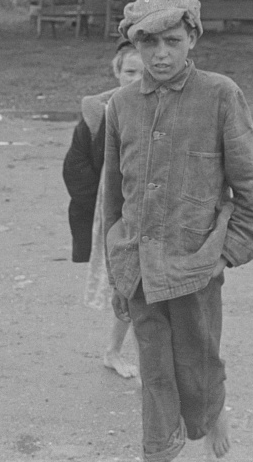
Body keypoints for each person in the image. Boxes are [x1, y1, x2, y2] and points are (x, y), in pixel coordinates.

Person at [102, 0, 253, 460]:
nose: (160, 55)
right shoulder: (121, 106)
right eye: (148, 43)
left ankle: (213, 412)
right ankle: (159, 450)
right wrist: (118, 268)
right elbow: (112, 200)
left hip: (194, 270)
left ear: (192, 38)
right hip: (137, 266)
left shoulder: (220, 96)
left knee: (197, 369)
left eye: (172, 42)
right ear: (133, 44)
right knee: (154, 370)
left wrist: (222, 254)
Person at [63, 40, 144, 380]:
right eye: (130, 72)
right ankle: (145, 367)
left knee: (140, 287)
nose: (137, 79)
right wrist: (104, 207)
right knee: (133, 287)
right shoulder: (98, 114)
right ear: (116, 72)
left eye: (145, 71)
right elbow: (75, 168)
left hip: (152, 212)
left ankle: (119, 352)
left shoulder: (164, 108)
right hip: (115, 215)